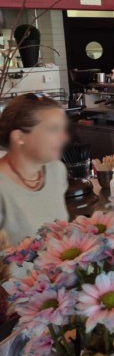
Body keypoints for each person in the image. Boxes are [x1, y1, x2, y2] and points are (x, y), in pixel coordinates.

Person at [0, 94, 69, 245]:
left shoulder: (56, 171)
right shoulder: (3, 187)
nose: (63, 138)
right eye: (53, 129)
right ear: (19, 137)